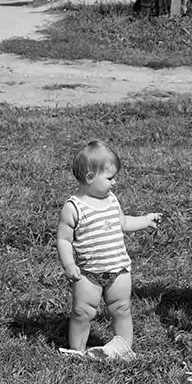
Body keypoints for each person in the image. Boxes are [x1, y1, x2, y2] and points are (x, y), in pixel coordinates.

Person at [56, 139, 163, 360]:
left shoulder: (111, 200)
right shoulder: (73, 207)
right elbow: (64, 240)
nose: (114, 183)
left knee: (122, 310)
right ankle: (77, 352)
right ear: (89, 178)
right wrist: (69, 264)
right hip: (88, 274)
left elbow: (122, 223)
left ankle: (124, 350)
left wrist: (145, 220)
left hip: (119, 270)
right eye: (110, 178)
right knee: (82, 313)